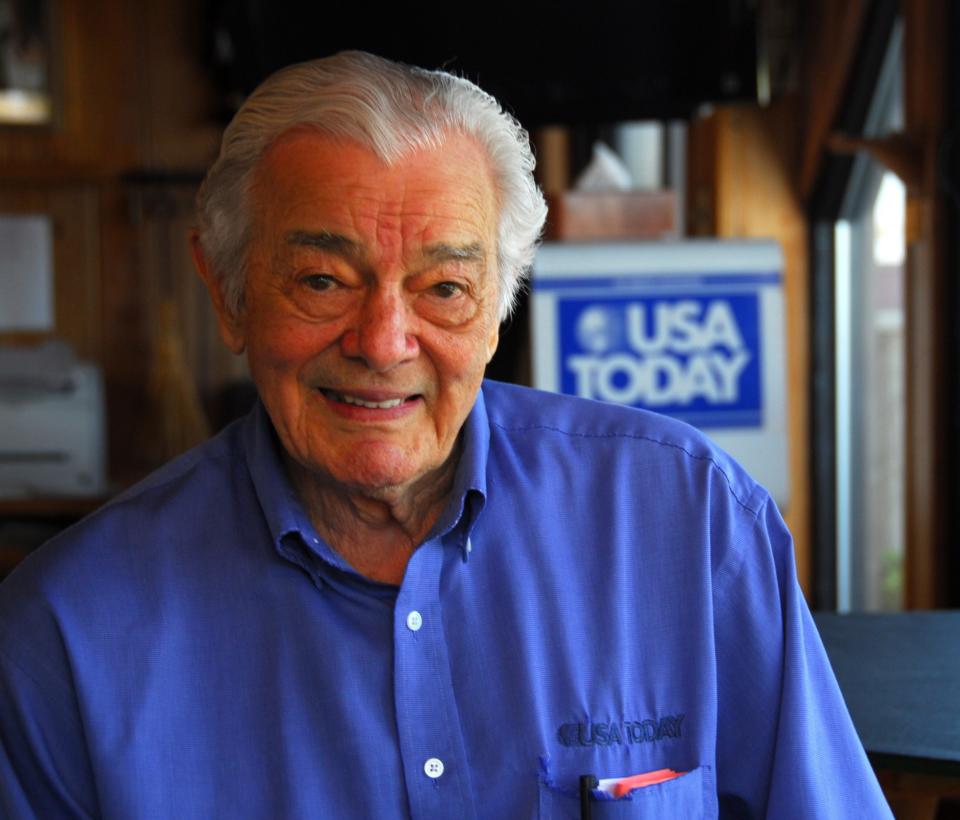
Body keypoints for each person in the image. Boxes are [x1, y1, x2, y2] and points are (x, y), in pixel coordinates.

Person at [0, 51, 891, 819]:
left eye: (444, 289)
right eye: (321, 280)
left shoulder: (692, 521)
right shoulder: (65, 632)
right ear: (228, 290)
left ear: (498, 309)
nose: (385, 343)